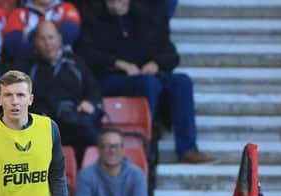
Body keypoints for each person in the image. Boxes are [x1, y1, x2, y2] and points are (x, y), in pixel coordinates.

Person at [77, 0, 214, 164]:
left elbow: (171, 54)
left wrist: (156, 64)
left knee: (182, 82)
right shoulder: (93, 20)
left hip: (146, 74)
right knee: (149, 83)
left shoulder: (146, 18)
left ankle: (187, 148)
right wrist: (119, 64)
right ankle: (148, 144)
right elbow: (85, 54)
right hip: (111, 77)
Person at [29, 21, 102, 166]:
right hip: (41, 124)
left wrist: (90, 102)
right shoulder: (27, 67)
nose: (47, 43)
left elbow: (93, 90)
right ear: (35, 42)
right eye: (42, 39)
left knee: (90, 131)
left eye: (51, 38)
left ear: (60, 39)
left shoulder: (76, 62)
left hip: (74, 120)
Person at [3, 0, 81, 65]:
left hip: (64, 66)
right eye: (41, 39)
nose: (47, 43)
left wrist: (30, 35)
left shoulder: (66, 8)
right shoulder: (18, 14)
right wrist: (53, 32)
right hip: (30, 69)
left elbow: (69, 34)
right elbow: (15, 46)